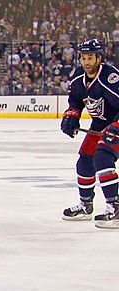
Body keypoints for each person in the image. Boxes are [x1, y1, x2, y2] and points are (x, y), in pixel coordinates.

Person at [60, 39, 119, 228]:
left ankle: (115, 208)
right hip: (100, 125)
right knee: (85, 160)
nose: (86, 62)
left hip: (116, 124)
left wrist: (116, 127)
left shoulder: (110, 77)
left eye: (90, 57)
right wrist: (72, 116)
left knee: (102, 157)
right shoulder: (78, 77)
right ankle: (86, 205)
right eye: (83, 58)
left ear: (98, 57)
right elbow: (75, 101)